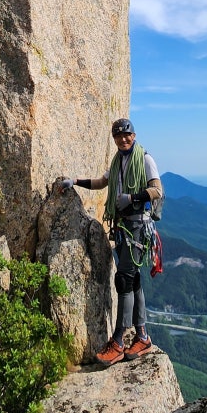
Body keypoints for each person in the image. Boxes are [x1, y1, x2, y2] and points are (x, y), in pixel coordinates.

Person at [60, 118, 163, 366]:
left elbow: (157, 190)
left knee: (125, 280)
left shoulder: (145, 159)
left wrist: (132, 198)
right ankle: (142, 337)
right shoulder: (117, 161)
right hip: (124, 226)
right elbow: (101, 183)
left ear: (134, 135)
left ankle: (118, 342)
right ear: (114, 139)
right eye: (118, 137)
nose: (123, 140)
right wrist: (75, 181)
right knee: (134, 279)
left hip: (137, 225)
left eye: (126, 135)